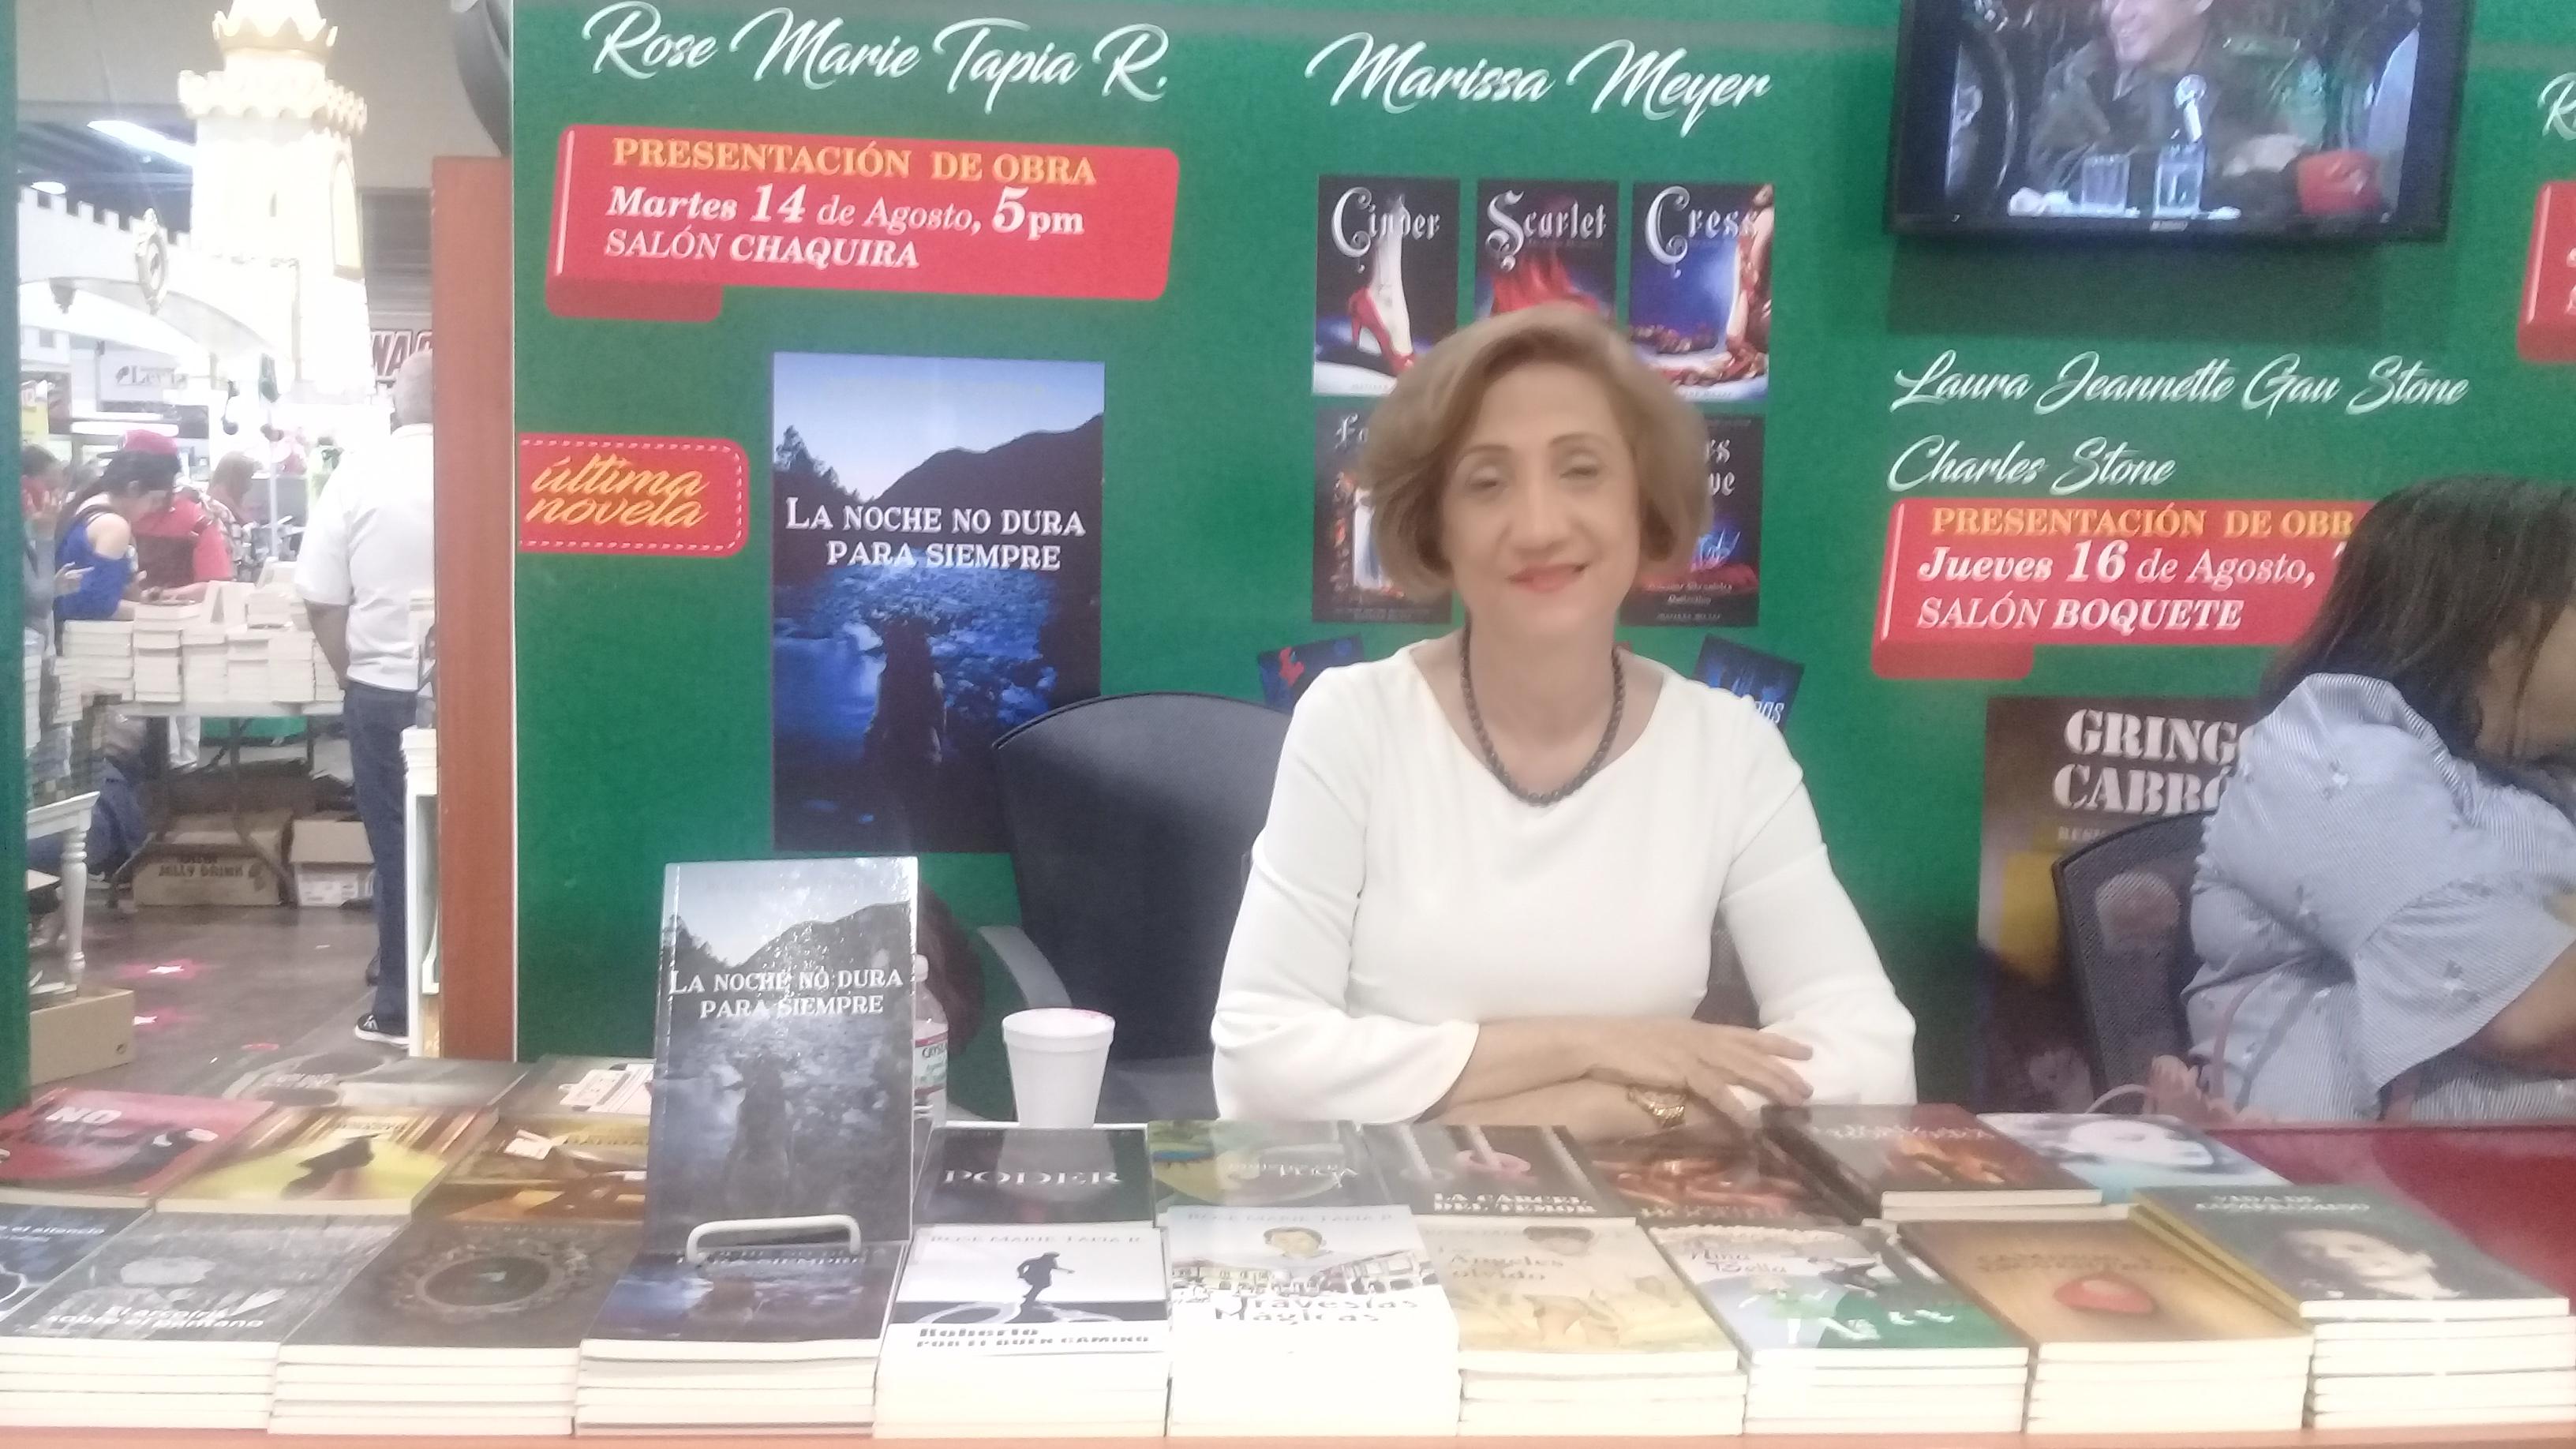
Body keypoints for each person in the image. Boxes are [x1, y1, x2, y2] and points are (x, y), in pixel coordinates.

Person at [1211, 305, 1915, 1138]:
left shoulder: (1730, 751)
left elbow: (1873, 1061)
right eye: (1487, 483)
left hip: (1641, 1210)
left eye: (1582, 471)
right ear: (1435, 525)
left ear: (1642, 504)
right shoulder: (1353, 724)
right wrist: (1601, 1049)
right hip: (1401, 1210)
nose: (1540, 527)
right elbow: (1259, 1070)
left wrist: (1607, 1110)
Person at [2188, 477, 2576, 1122]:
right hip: (2368, 1182)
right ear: (2506, 629)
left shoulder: (2548, 778)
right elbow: (2528, 1013)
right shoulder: (2331, 747)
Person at [298, 349, 436, 1046]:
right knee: (486, 841)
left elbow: (322, 598)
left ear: (395, 403)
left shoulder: (358, 474)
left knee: (399, 847)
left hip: (384, 692)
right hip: (486, 692)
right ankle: (484, 993)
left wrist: (354, 674)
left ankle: (401, 1006)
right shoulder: (495, 465)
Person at [2027, 0, 2327, 219]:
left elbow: (2294, 191)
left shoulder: (2275, 72)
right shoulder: (2084, 75)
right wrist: (2225, 161)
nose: (2117, 13)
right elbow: (2064, 174)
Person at [54, 441, 178, 627]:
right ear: (133, 488)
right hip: (87, 634)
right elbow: (98, 606)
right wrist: (160, 614)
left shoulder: (87, 505)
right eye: (154, 500)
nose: (153, 509)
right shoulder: (114, 526)